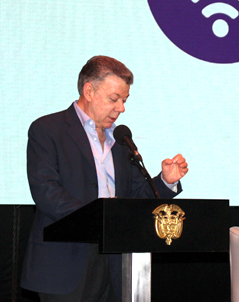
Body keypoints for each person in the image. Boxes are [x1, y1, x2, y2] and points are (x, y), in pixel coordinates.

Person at [21, 55, 188, 302]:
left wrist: (165, 181)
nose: (121, 108)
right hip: (66, 262)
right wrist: (103, 217)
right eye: (114, 99)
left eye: (124, 100)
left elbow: (135, 196)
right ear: (89, 91)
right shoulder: (48, 130)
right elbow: (47, 192)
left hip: (116, 264)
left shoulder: (120, 141)